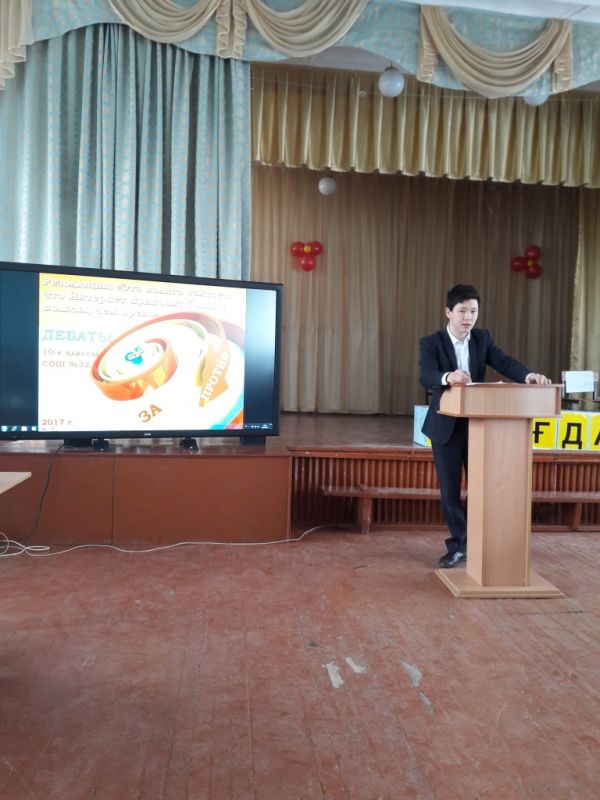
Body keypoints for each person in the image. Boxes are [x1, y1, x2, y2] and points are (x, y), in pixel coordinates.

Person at [419, 284, 550, 569]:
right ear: (448, 312)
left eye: (473, 311)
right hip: (445, 426)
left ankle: (480, 542)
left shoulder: (482, 338)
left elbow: (504, 362)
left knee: (481, 487)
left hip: (478, 424)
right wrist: (447, 377)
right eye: (462, 311)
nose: (468, 317)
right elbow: (426, 375)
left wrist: (527, 375)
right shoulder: (431, 342)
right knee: (450, 490)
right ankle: (459, 545)